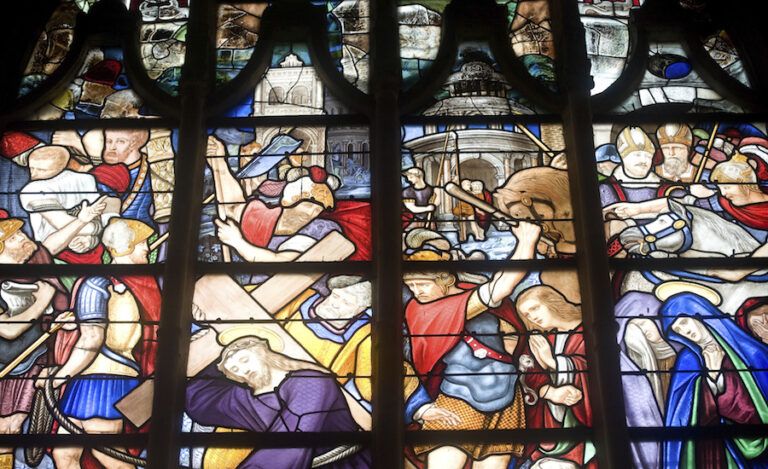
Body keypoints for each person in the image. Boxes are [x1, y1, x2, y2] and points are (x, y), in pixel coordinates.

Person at [402, 221, 541, 469]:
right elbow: (501, 287)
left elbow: (502, 302)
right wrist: (527, 242)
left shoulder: (467, 292)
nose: (416, 292)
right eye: (411, 286)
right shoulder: (423, 310)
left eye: (422, 284)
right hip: (456, 397)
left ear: (445, 279)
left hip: (506, 398)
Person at [37, 218, 161, 469]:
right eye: (141, 244)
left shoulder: (106, 283)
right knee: (65, 456)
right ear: (125, 248)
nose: (147, 248)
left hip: (105, 377)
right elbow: (93, 332)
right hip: (93, 379)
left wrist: (60, 377)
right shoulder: (107, 283)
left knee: (110, 456)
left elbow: (94, 338)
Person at [185, 336, 372, 468]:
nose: (243, 370)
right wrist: (207, 345)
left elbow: (294, 439)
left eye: (244, 359)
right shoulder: (246, 400)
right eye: (234, 369)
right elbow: (198, 401)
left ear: (262, 354)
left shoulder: (312, 381)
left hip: (349, 465)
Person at [206, 136, 370, 262]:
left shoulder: (321, 229)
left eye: (321, 208)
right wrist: (219, 162)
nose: (313, 211)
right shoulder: (263, 216)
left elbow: (282, 261)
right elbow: (233, 206)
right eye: (308, 203)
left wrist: (237, 242)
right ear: (286, 201)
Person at [660, 292, 768, 467]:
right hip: (714, 450)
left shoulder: (750, 350)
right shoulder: (687, 361)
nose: (685, 331)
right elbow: (683, 412)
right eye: (677, 329)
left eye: (685, 322)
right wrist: (714, 377)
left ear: (698, 313)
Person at [0, 218, 69, 469]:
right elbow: (7, 330)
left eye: (19, 232)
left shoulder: (38, 265)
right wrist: (43, 298)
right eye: (13, 237)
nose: (22, 236)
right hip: (7, 363)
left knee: (10, 429)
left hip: (31, 361)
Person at [516, 286, 594, 468]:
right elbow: (528, 375)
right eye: (527, 315)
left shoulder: (588, 329)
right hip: (551, 423)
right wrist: (549, 391)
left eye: (535, 308)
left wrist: (552, 362)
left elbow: (599, 368)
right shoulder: (544, 339)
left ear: (552, 301)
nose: (532, 317)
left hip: (584, 422)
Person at [271, 275, 372, 406]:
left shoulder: (364, 333)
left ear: (361, 309)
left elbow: (366, 387)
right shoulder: (302, 298)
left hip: (314, 398)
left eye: (346, 303)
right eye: (336, 296)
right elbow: (267, 331)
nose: (335, 304)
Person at [19, 146, 117, 263]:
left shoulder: (84, 180)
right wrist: (97, 232)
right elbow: (61, 223)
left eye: (41, 170)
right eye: (31, 168)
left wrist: (90, 240)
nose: (33, 174)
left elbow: (98, 211)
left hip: (89, 249)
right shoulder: (33, 189)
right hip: (53, 252)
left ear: (61, 166)